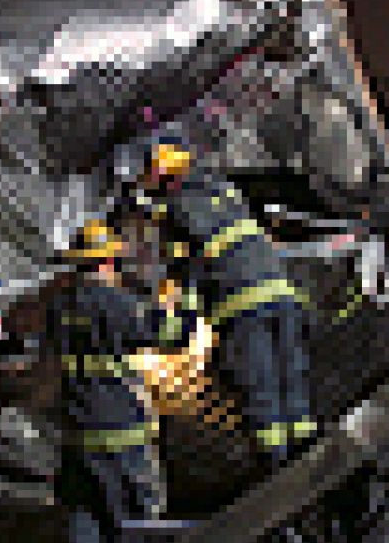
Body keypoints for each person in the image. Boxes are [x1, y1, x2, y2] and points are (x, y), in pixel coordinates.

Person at [132, 140, 316, 466]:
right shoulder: (225, 190)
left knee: (260, 388)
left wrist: (179, 327)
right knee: (292, 379)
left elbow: (184, 271)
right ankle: (309, 462)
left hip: (243, 307)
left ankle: (276, 470)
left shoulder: (178, 208)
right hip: (282, 298)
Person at [48, 220, 167, 543]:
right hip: (121, 427)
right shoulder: (117, 304)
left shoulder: (59, 308)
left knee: (84, 508)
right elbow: (163, 336)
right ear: (106, 262)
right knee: (135, 515)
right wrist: (177, 301)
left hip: (78, 428)